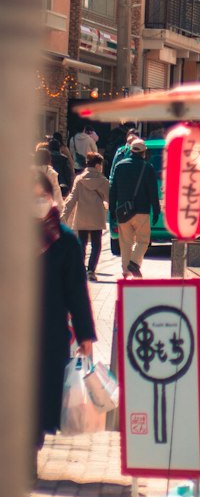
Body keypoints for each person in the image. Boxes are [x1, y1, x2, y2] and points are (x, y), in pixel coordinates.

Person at [36, 171, 96, 457]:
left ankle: (30, 450)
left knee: (42, 396)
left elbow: (77, 292)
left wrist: (85, 335)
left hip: (49, 334)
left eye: (39, 197)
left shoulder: (66, 240)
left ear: (51, 198)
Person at [109, 137, 160, 279]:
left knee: (125, 242)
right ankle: (134, 263)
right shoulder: (147, 167)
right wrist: (156, 210)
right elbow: (153, 191)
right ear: (144, 152)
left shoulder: (119, 166)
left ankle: (126, 272)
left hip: (123, 211)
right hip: (142, 211)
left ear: (130, 150)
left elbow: (113, 190)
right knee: (143, 240)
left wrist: (112, 210)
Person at [62, 153, 110, 281]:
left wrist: (64, 214)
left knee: (81, 243)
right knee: (96, 244)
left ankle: (80, 269)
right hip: (97, 216)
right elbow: (108, 198)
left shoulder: (79, 179)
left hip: (82, 216)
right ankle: (91, 270)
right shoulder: (103, 181)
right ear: (98, 165)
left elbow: (72, 198)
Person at [34, 144, 63, 211]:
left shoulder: (31, 172)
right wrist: (60, 208)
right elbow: (56, 192)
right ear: (48, 159)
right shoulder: (52, 173)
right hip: (48, 208)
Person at [47, 134, 74, 198]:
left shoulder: (46, 158)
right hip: (62, 185)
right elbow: (67, 174)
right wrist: (70, 186)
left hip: (48, 184)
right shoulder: (64, 158)